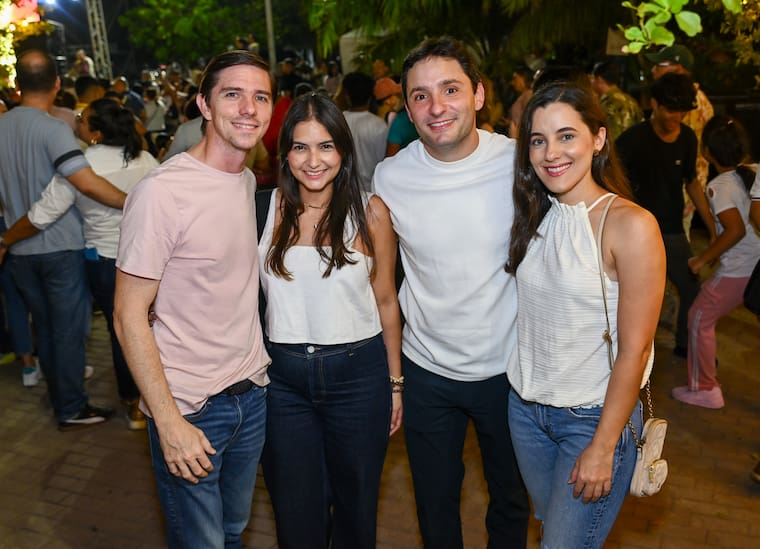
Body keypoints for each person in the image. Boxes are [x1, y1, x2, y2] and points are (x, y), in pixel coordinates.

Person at [373, 36, 529, 548]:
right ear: (407, 108)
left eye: (450, 89)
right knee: (435, 504)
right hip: (427, 372)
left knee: (511, 500)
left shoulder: (521, 164)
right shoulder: (390, 177)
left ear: (478, 94)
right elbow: (382, 284)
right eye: (420, 95)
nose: (437, 107)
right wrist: (395, 379)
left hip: (510, 370)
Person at [113, 50, 273, 547]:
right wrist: (167, 421)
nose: (248, 109)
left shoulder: (246, 180)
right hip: (190, 409)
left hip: (251, 394)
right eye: (233, 94)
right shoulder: (162, 192)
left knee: (232, 532)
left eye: (261, 97)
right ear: (204, 104)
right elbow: (127, 314)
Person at [506, 82, 666, 548]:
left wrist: (603, 445)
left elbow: (635, 349)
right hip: (526, 413)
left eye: (566, 136)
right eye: (538, 140)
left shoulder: (630, 225)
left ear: (598, 139)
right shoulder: (535, 213)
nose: (551, 153)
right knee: (550, 529)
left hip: (592, 420)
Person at [258, 92, 402, 549]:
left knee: (356, 509)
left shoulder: (371, 211)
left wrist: (395, 383)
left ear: (343, 149)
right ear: (285, 154)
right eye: (300, 147)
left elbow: (387, 301)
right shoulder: (262, 209)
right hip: (282, 383)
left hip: (358, 378)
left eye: (325, 146)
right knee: (294, 512)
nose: (313, 160)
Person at [2, 98, 160, 428]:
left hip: (104, 260)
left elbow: (43, 213)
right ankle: (156, 395)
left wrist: (7, 239)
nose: (77, 122)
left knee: (122, 331)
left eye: (83, 119)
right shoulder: (146, 159)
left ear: (96, 132)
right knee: (150, 325)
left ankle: (134, 400)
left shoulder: (81, 167)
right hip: (149, 257)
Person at [0, 50, 126, 430]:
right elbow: (85, 182)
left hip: (19, 249)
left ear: (17, 84)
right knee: (69, 330)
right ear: (57, 83)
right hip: (61, 247)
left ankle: (61, 396)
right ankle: (71, 406)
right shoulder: (54, 128)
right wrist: (135, 202)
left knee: (45, 327)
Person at [616, 72, 715, 358]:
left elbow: (692, 182)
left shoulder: (687, 138)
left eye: (682, 111)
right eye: (671, 110)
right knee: (634, 294)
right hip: (636, 233)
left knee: (691, 288)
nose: (677, 117)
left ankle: (686, 346)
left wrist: (712, 227)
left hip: (671, 230)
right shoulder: (632, 140)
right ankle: (629, 351)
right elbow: (612, 181)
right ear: (654, 104)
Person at [671, 116, 760, 409]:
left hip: (739, 270)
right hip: (756, 267)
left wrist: (701, 260)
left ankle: (705, 388)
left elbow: (735, 230)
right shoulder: (757, 171)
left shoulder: (719, 186)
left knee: (699, 317)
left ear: (707, 152)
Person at [647, 44, 714, 237]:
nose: (653, 70)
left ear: (677, 69)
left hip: (680, 191)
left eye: (659, 65)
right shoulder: (677, 96)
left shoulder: (689, 101)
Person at [341, 72, 388, 192]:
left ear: (347, 95)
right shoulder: (379, 125)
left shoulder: (338, 121)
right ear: (371, 96)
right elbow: (383, 162)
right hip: (372, 190)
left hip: (343, 191)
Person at [590, 61, 644, 141]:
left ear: (599, 80)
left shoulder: (608, 103)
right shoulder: (631, 100)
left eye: (592, 78)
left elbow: (611, 137)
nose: (591, 82)